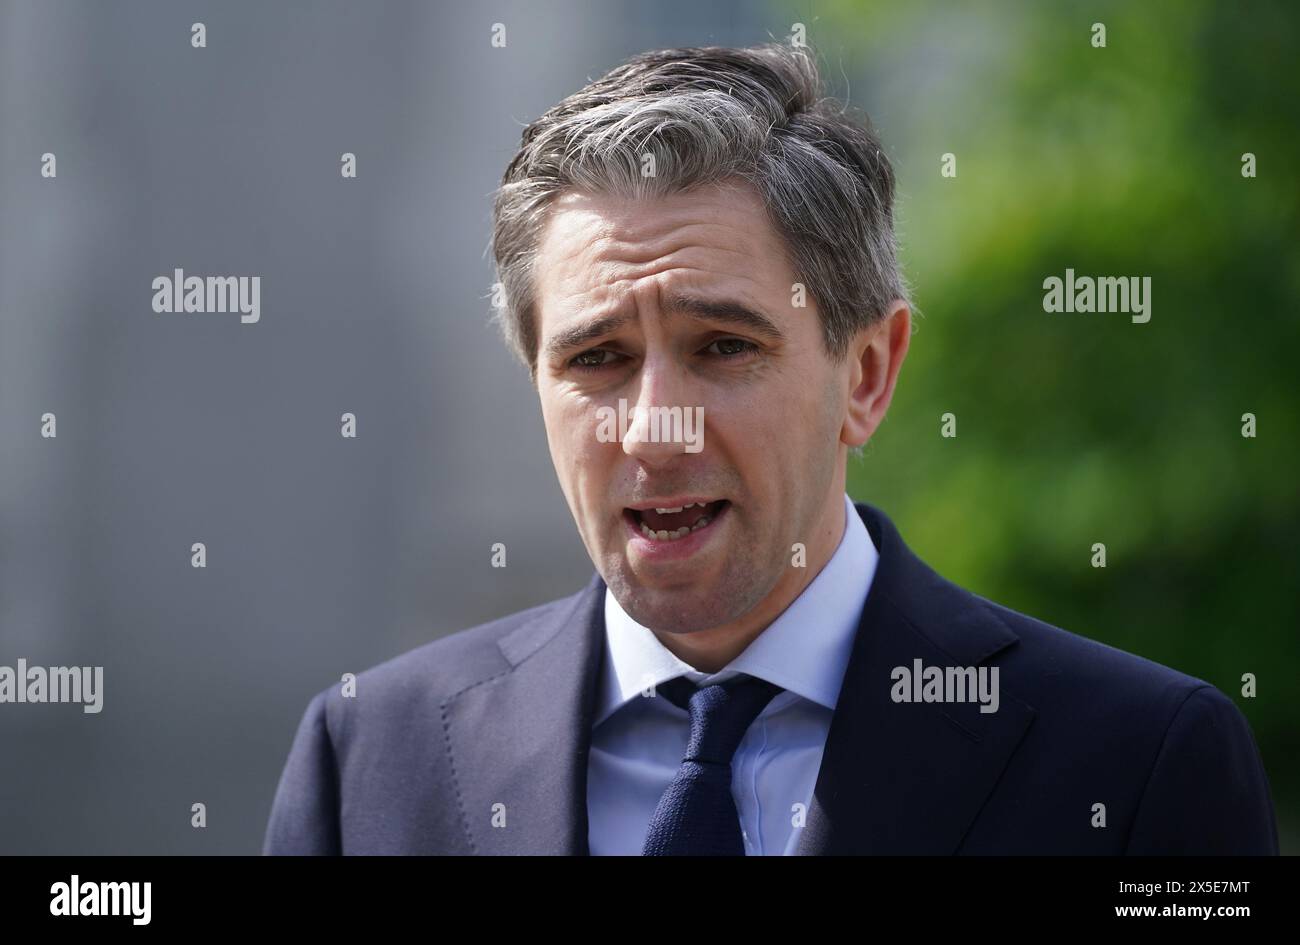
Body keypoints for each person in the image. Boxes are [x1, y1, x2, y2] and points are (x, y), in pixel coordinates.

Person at [263, 42, 1278, 855]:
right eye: (598, 359)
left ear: (867, 374)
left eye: (723, 348)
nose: (655, 425)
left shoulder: (1135, 764)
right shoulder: (369, 764)